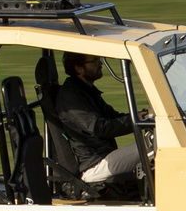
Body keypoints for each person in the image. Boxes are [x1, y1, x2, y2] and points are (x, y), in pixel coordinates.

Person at [53, 52, 145, 183]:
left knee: (153, 142)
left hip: (103, 156)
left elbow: (114, 117)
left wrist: (143, 114)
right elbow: (100, 128)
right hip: (93, 164)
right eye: (95, 61)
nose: (100, 63)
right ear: (79, 69)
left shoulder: (86, 90)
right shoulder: (72, 97)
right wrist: (139, 119)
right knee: (156, 145)